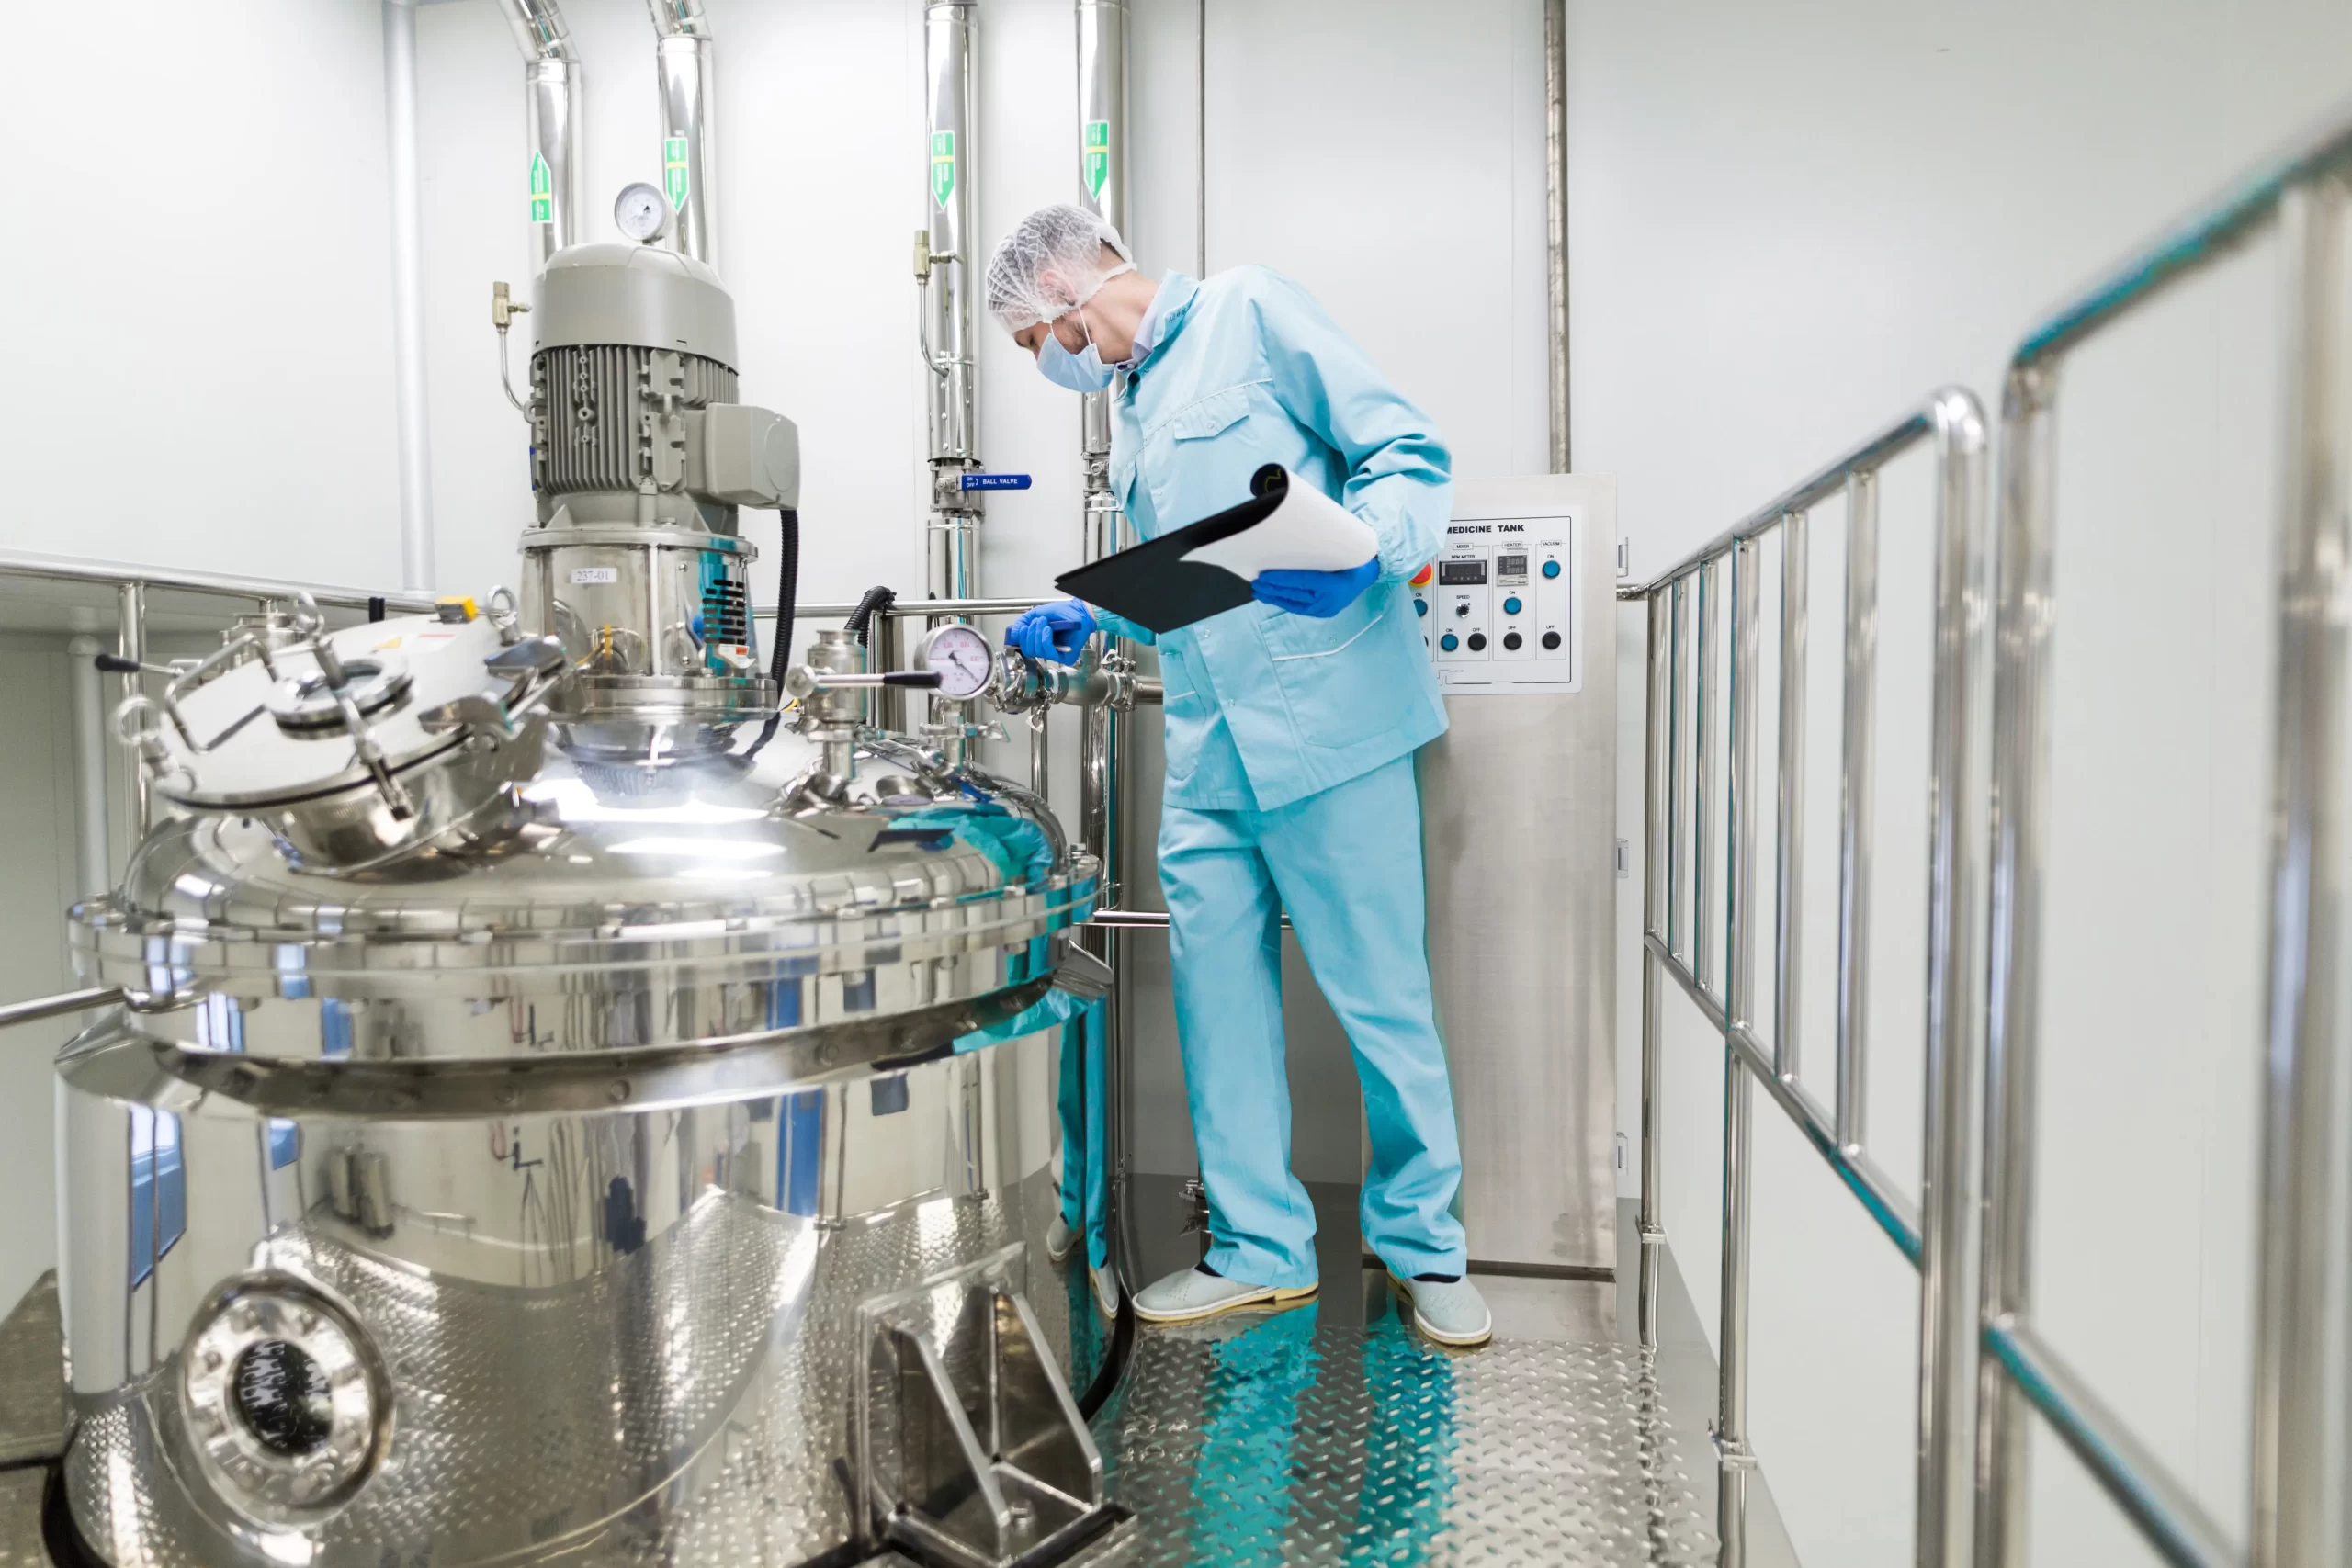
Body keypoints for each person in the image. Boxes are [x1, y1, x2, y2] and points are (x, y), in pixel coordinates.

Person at [981, 204, 1489, 1348]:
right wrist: (1092, 607)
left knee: (1379, 997)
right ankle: (1260, 1250)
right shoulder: (1135, 403)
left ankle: (1426, 1247)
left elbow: (1406, 452)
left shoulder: (1249, 310)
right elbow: (1200, 566)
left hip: (1328, 729)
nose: (1048, 363)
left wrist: (1370, 554)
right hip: (1210, 749)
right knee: (1217, 1003)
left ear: (1065, 288)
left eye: (1033, 341)